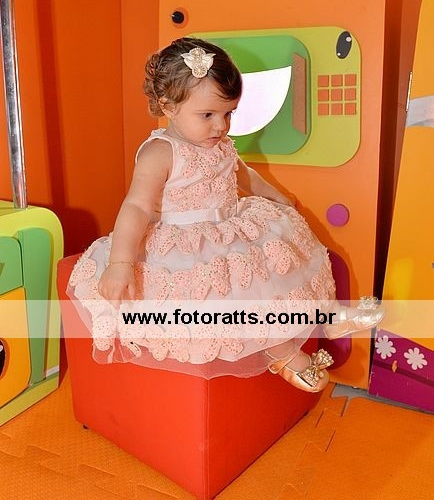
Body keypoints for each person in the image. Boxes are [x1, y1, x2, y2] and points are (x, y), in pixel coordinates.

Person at [68, 37, 384, 393]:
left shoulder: (219, 144)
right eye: (207, 115)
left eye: (228, 114)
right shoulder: (160, 152)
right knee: (243, 295)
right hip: (188, 243)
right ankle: (284, 355)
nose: (220, 126)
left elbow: (242, 174)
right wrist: (121, 263)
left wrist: (276, 196)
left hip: (231, 225)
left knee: (283, 255)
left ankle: (330, 316)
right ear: (168, 105)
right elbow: (137, 206)